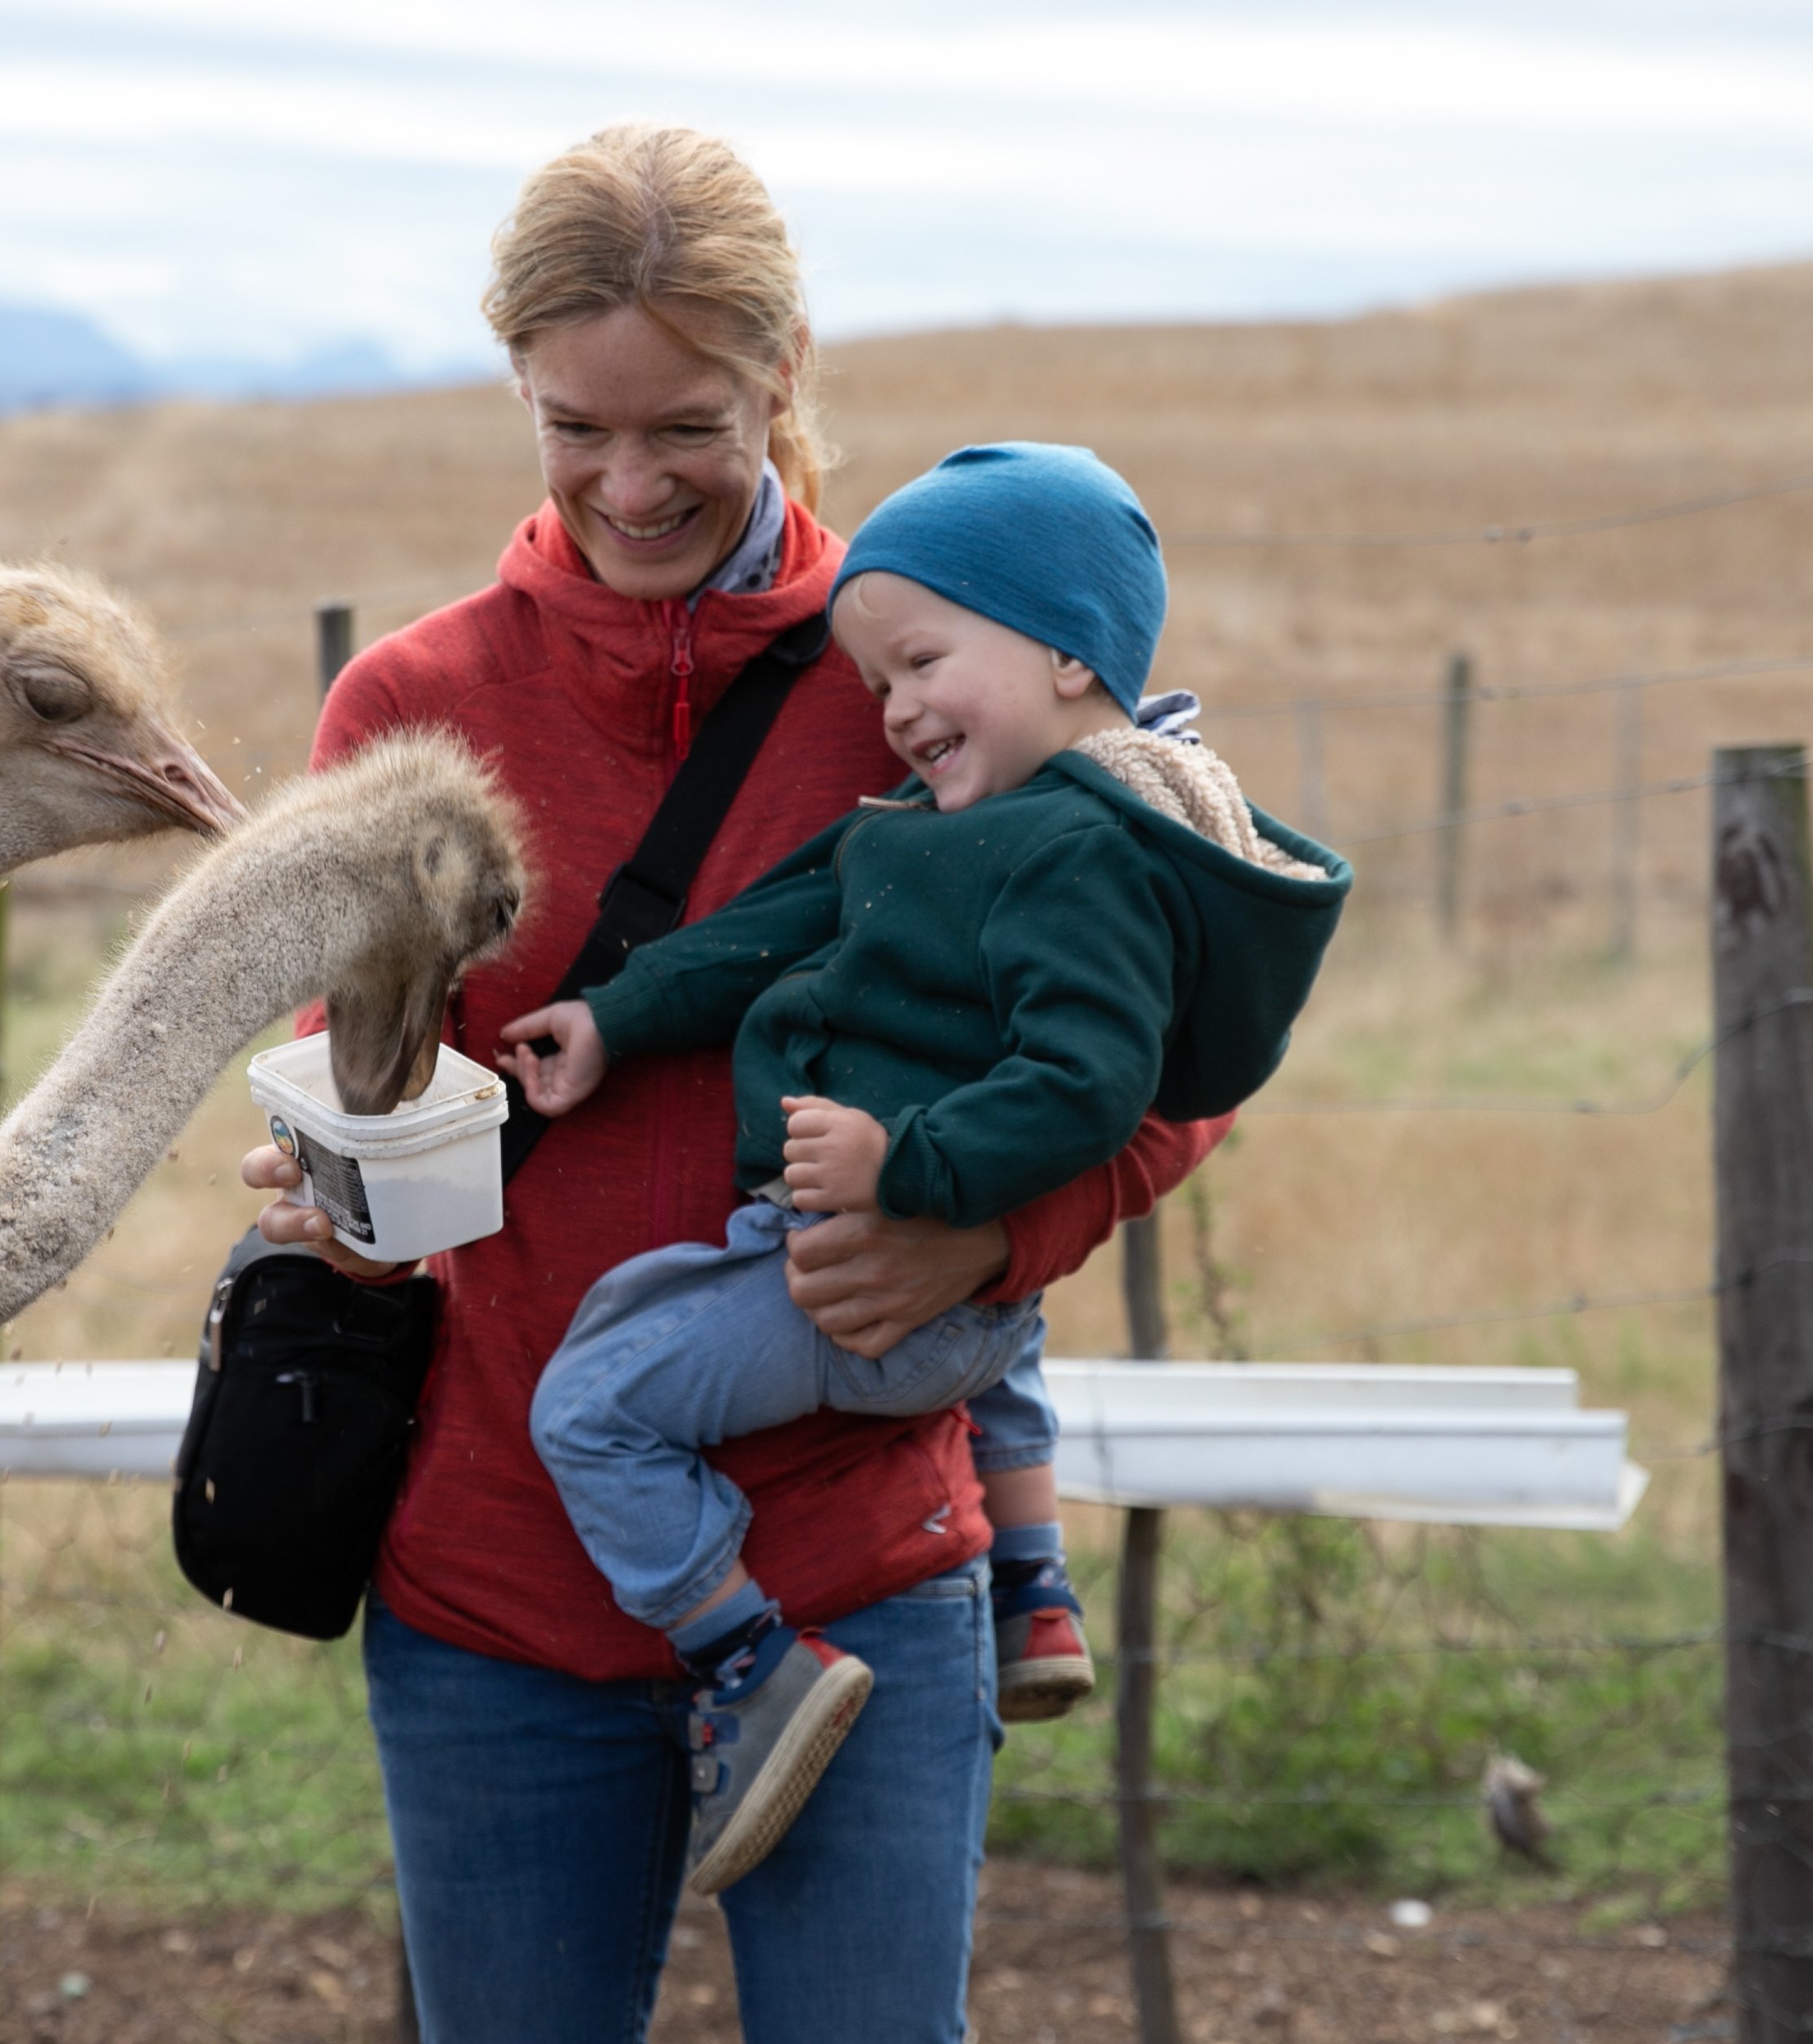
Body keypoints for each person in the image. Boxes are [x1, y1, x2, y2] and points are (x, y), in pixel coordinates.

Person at [240, 122, 1227, 2044]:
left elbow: (1190, 1059)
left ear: (787, 384)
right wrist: (331, 1183)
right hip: (495, 1582)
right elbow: (372, 1072)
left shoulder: (938, 670)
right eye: (571, 427)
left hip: (864, 1576)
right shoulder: (407, 709)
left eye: (686, 425)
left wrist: (991, 1233)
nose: (627, 484)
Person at [500, 442, 1349, 1896]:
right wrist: (617, 1017)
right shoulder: (962, 832)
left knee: (591, 1399)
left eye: (922, 665)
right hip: (979, 1316)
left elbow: (1094, 1082)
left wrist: (910, 1169)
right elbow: (782, 921)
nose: (893, 714)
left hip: (877, 1290)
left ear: (1074, 653)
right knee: (998, 1352)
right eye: (877, 685)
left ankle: (746, 1660)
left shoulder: (1083, 856)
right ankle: (1033, 1590)